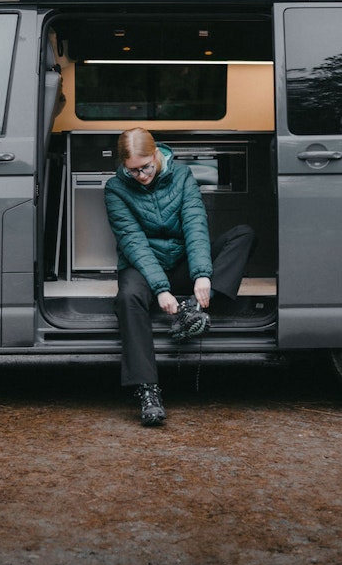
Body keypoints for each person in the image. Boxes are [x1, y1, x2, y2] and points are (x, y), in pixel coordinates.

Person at [105, 128, 256, 426]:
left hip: (183, 262)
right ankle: (147, 389)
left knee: (243, 235)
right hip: (144, 266)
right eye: (132, 170)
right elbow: (132, 241)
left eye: (145, 167)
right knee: (128, 298)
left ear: (156, 155)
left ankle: (194, 309)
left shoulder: (182, 175)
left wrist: (202, 276)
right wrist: (161, 289)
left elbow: (195, 225)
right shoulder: (115, 189)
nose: (141, 175)